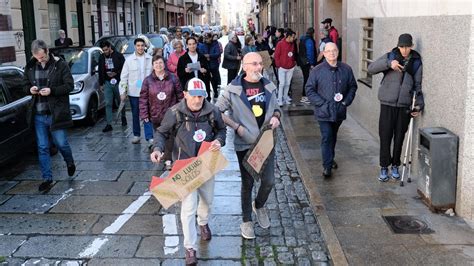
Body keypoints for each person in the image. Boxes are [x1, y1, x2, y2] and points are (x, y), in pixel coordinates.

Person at [150, 77, 226, 266]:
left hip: (206, 163)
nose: (197, 100)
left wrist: (219, 141)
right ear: (185, 95)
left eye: (201, 96)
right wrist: (157, 149)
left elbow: (221, 130)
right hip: (184, 166)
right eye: (194, 96)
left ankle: (203, 221)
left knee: (207, 200)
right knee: (188, 207)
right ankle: (190, 248)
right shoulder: (174, 113)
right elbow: (161, 132)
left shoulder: (213, 111)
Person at [215, 52, 281, 240]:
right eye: (254, 64)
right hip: (244, 144)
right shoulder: (233, 89)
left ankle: (259, 205)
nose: (258, 67)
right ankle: (246, 220)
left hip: (266, 141)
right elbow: (216, 111)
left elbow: (276, 108)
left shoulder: (268, 86)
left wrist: (276, 117)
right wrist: (236, 127)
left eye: (260, 64)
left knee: (269, 181)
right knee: (248, 183)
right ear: (244, 66)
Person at [367, 33, 424, 182]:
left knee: (399, 137)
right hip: (387, 103)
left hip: (404, 105)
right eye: (402, 47)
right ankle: (384, 166)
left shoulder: (416, 62)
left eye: (407, 47)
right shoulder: (390, 56)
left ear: (411, 46)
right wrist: (388, 64)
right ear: (398, 46)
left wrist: (418, 105)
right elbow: (371, 68)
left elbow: (418, 86)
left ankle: (395, 165)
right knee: (385, 136)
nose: (404, 50)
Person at [23, 39, 76, 192]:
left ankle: (70, 161)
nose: (40, 60)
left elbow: (69, 85)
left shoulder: (60, 65)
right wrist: (30, 89)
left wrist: (52, 91)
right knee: (42, 147)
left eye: (42, 57)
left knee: (61, 144)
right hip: (38, 114)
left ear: (47, 51)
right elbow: (24, 84)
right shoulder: (31, 65)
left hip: (56, 114)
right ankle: (47, 178)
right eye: (37, 58)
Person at [305, 43, 357, 178]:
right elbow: (309, 89)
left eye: (334, 50)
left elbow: (352, 86)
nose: (332, 53)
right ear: (324, 53)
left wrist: (346, 102)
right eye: (328, 51)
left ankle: (330, 158)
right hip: (323, 112)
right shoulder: (317, 70)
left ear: (338, 52)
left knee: (333, 136)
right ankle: (326, 166)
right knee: (327, 136)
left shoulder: (346, 69)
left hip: (339, 111)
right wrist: (321, 103)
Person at [140, 55, 183, 165]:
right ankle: (163, 154)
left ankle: (169, 158)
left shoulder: (173, 78)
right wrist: (144, 114)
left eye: (160, 63)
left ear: (164, 64)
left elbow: (180, 96)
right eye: (156, 63)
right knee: (160, 136)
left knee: (171, 137)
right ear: (153, 66)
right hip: (155, 115)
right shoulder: (147, 81)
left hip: (171, 115)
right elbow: (143, 98)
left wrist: (181, 111)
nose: (158, 65)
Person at [119, 38, 153, 144]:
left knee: (148, 114)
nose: (140, 48)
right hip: (134, 92)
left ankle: (149, 137)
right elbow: (124, 77)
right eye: (138, 45)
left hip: (148, 92)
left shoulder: (150, 59)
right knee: (135, 114)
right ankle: (136, 135)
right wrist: (122, 92)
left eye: (142, 45)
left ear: (145, 46)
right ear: (135, 47)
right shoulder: (129, 60)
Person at [98, 40, 127, 132]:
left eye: (106, 50)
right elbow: (100, 70)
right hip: (107, 82)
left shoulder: (119, 56)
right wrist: (101, 83)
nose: (105, 52)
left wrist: (116, 73)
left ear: (110, 47)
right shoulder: (101, 57)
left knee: (120, 101)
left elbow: (125, 69)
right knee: (108, 103)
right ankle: (109, 123)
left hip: (118, 82)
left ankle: (123, 117)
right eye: (103, 50)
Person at [274, 29, 296, 106]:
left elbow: (292, 54)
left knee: (287, 83)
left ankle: (285, 97)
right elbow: (276, 55)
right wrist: (278, 65)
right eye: (292, 37)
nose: (293, 39)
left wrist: (293, 63)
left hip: (290, 67)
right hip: (282, 67)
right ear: (288, 37)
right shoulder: (280, 44)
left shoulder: (292, 44)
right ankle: (280, 99)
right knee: (282, 83)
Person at [198, 32, 222, 100]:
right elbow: (200, 53)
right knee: (206, 80)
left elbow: (218, 53)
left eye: (208, 38)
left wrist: (210, 56)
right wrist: (205, 56)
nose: (206, 40)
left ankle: (215, 91)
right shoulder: (203, 45)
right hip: (206, 65)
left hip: (214, 65)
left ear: (211, 38)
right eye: (205, 38)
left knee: (214, 80)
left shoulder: (215, 44)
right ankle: (208, 95)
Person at [298, 27, 317, 104]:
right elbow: (310, 53)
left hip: (302, 61)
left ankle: (305, 96)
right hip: (307, 63)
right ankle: (305, 96)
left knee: (306, 78)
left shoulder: (303, 39)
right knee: (307, 79)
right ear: (313, 33)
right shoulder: (309, 40)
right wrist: (312, 63)